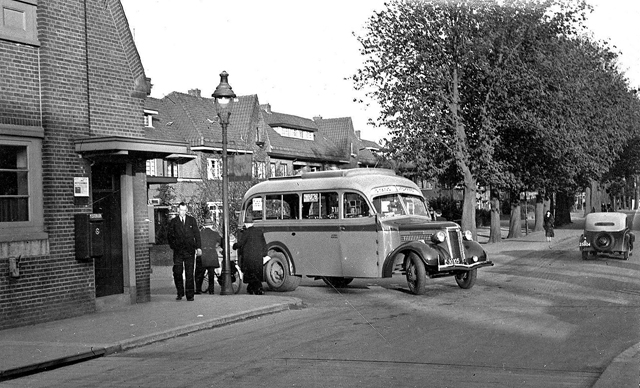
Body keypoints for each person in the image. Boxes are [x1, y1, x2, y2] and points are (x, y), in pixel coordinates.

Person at [167, 202, 202, 301]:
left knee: (189, 273)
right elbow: (169, 236)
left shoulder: (191, 221)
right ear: (178, 210)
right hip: (178, 251)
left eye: (184, 210)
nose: (183, 212)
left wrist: (198, 247)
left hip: (189, 250)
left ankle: (190, 295)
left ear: (187, 210)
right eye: (181, 210)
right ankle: (180, 292)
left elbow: (197, 234)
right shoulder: (174, 222)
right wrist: (173, 246)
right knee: (177, 272)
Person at [233, 213, 268, 295]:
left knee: (250, 274)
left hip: (249, 257)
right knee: (256, 274)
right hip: (258, 257)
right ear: (252, 223)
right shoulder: (259, 232)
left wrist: (234, 246)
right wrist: (264, 254)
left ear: (246, 224)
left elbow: (240, 243)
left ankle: (257, 289)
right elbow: (263, 244)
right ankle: (253, 289)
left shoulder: (246, 232)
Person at [195, 216, 221, 295]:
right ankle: (211, 290)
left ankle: (198, 289)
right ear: (211, 225)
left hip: (202, 255)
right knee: (211, 274)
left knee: (199, 274)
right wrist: (217, 246)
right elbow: (222, 241)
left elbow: (195, 243)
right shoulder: (215, 233)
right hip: (212, 254)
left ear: (204, 225)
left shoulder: (200, 234)